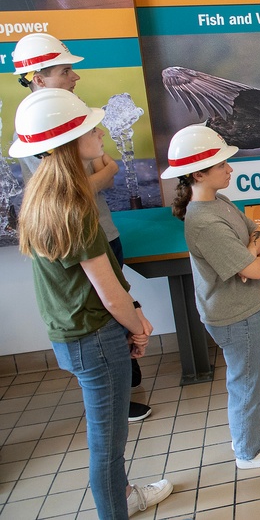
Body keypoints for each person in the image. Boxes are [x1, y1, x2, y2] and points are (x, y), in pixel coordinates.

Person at [11, 89, 172, 518]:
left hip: (76, 334)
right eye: (89, 128)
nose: (100, 133)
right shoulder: (74, 203)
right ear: (68, 142)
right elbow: (107, 288)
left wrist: (130, 317)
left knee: (108, 440)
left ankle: (125, 496)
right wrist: (136, 325)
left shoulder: (42, 194)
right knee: (108, 445)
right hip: (95, 338)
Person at [10, 32, 152, 424]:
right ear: (37, 77)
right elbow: (84, 184)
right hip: (88, 284)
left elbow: (108, 171)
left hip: (102, 239)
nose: (75, 77)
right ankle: (118, 395)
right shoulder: (64, 199)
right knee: (106, 310)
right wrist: (137, 324)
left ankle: (122, 384)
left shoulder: (64, 194)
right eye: (65, 70)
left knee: (114, 305)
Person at [164, 125, 260, 469]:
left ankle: (248, 426)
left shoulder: (217, 202)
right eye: (222, 164)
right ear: (198, 173)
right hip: (235, 314)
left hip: (246, 308)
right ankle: (248, 450)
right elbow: (255, 271)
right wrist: (251, 255)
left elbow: (257, 232)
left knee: (253, 373)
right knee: (247, 379)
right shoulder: (203, 221)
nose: (230, 169)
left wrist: (250, 250)